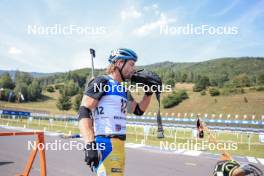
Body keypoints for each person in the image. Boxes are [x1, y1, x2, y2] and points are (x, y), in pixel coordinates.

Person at [77, 48, 153, 176]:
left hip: (120, 145)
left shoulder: (123, 89)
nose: (133, 69)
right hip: (105, 143)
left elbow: (138, 110)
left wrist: (149, 92)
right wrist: (90, 144)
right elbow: (84, 111)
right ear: (119, 63)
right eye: (131, 64)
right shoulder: (102, 81)